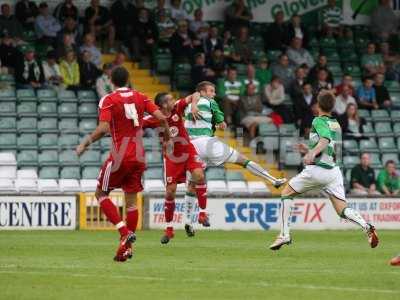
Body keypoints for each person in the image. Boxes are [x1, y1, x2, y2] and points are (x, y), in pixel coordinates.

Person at [76, 66, 170, 262]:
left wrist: (85, 142)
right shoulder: (141, 97)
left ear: (111, 80)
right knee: (132, 203)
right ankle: (127, 249)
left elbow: (103, 128)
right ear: (128, 79)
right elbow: (161, 117)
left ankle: (124, 231)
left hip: (120, 155)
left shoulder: (108, 99)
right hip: (139, 156)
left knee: (101, 193)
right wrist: (168, 137)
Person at [269, 92, 379, 251]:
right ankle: (366, 225)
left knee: (286, 193)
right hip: (333, 171)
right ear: (333, 106)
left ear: (317, 106)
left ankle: (284, 234)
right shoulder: (336, 124)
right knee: (342, 209)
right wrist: (309, 149)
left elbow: (325, 140)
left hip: (317, 170)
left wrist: (311, 153)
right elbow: (332, 149)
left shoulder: (318, 120)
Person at [183, 81, 287, 235]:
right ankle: (274, 180)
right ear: (203, 92)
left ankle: (188, 222)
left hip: (191, 147)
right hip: (207, 143)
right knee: (243, 160)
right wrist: (221, 122)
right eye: (211, 91)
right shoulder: (210, 102)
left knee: (192, 185)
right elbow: (221, 122)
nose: (214, 94)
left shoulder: (187, 105)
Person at [143, 92, 209, 243]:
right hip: (172, 158)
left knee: (199, 176)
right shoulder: (154, 118)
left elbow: (196, 94)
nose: (174, 100)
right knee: (170, 192)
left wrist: (193, 105)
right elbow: (136, 123)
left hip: (187, 151)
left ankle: (202, 214)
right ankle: (169, 229)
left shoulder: (177, 108)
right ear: (163, 105)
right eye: (170, 99)